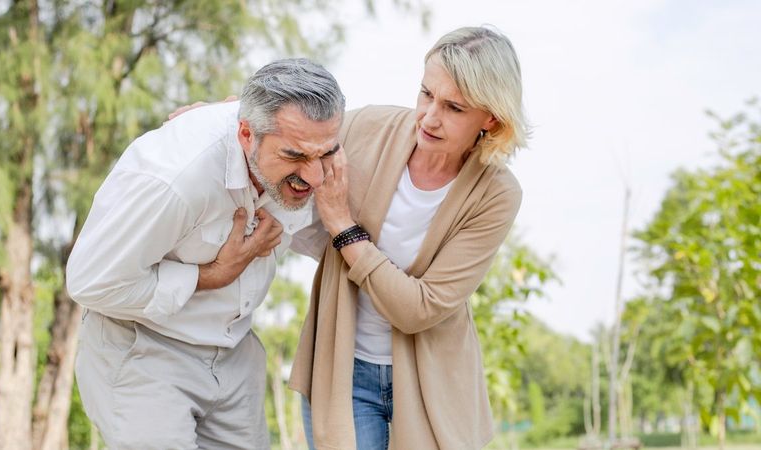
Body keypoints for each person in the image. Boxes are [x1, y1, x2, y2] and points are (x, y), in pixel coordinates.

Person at [66, 58, 345, 449]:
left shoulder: (306, 141)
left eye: (326, 153)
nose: (315, 176)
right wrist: (212, 274)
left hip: (235, 356)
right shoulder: (174, 177)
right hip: (145, 354)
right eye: (295, 156)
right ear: (246, 134)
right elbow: (90, 282)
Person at [289, 26, 528, 449]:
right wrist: (218, 116)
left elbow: (419, 308)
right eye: (426, 94)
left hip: (431, 386)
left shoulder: (496, 194)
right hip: (343, 372)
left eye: (453, 107)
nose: (429, 117)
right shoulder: (368, 128)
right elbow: (287, 127)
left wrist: (343, 228)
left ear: (491, 118)